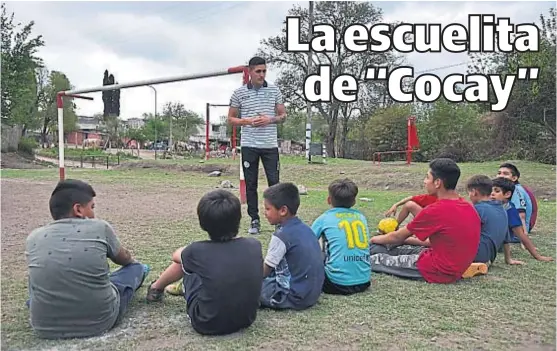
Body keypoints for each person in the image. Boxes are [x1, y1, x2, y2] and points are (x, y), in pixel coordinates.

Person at [25, 179, 150, 339]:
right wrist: (132, 263)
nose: (93, 213)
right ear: (78, 209)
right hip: (99, 321)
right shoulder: (99, 227)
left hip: (44, 326)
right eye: (92, 207)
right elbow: (124, 259)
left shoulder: (34, 237)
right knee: (135, 269)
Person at [145, 190, 263, 336]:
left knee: (185, 264)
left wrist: (188, 249)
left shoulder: (197, 251)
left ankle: (156, 288)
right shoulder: (254, 245)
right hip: (247, 319)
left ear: (203, 223)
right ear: (238, 219)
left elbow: (176, 256)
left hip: (207, 323)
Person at [368, 158, 481, 284]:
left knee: (369, 259)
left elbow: (398, 237)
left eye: (427, 177)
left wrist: (373, 239)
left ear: (438, 182)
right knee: (385, 247)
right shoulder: (466, 206)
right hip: (453, 264)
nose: (424, 181)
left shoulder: (436, 209)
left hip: (438, 270)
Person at [228, 56, 287, 235]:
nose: (262, 75)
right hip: (249, 145)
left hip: (269, 145)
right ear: (250, 72)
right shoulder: (239, 93)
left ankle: (279, 221)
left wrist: (270, 119)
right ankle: (254, 220)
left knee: (274, 184)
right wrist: (248, 121)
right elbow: (230, 119)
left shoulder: (274, 90)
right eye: (258, 71)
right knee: (251, 184)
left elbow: (283, 115)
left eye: (264, 71)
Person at [260, 182, 324, 310]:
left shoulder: (281, 235)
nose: (264, 213)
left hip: (293, 296)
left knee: (246, 287)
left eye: (268, 209)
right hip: (312, 292)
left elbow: (265, 271)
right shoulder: (306, 229)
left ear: (283, 210)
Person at [311, 179, 371, 295]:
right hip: (364, 281)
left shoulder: (324, 218)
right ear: (354, 202)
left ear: (329, 200)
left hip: (336, 284)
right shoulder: (361, 217)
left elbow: (308, 242)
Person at [491, 177, 553, 264]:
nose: (492, 194)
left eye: (496, 191)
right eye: (490, 191)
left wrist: (538, 256)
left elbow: (520, 234)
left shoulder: (509, 210)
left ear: (507, 194)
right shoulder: (488, 205)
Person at [461, 175, 509, 278]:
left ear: (474, 192)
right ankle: (477, 265)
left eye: (469, 193)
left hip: (476, 254)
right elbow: (506, 239)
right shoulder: (502, 210)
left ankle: (467, 265)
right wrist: (508, 259)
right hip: (489, 257)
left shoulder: (477, 209)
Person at [497, 163, 534, 239]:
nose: (501, 176)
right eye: (499, 173)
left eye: (505, 174)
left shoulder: (516, 190)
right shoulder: (505, 189)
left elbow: (521, 215)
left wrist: (523, 236)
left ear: (514, 178)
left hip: (517, 232)